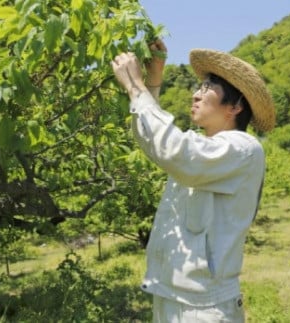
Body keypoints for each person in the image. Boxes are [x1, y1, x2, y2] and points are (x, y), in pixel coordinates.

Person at [111, 39, 275, 322]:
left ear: (235, 106)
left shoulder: (243, 149)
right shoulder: (204, 146)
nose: (196, 95)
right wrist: (151, 82)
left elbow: (175, 151)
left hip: (203, 306)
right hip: (172, 296)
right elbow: (155, 142)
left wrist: (136, 87)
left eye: (207, 88)